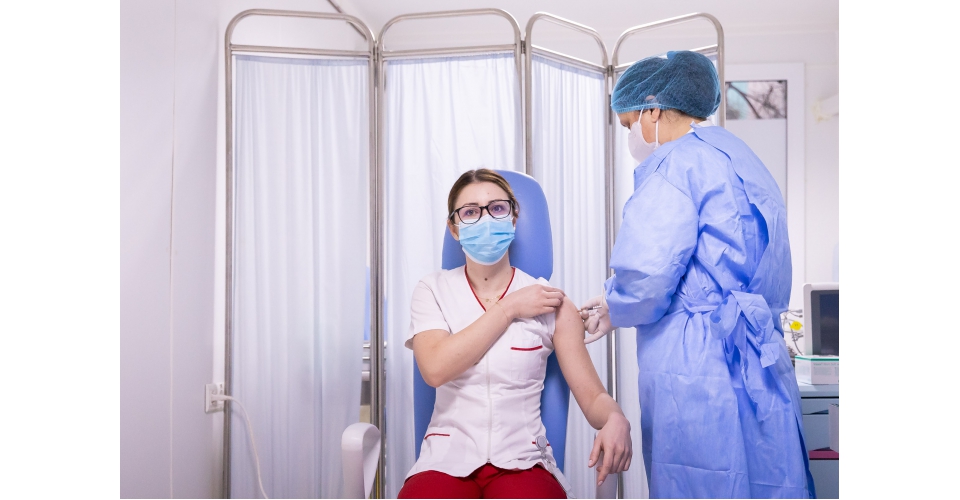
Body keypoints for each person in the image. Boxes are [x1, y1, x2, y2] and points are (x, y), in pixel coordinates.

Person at [579, 51, 816, 498]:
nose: (631, 135)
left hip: (697, 364)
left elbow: (647, 274)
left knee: (703, 479)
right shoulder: (741, 157)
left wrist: (615, 304)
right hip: (759, 354)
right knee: (766, 479)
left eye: (629, 124)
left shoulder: (674, 166)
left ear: (652, 110)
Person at [398, 169, 632, 499]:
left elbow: (593, 397)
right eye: (470, 212)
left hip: (523, 460)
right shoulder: (432, 290)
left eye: (497, 208)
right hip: (444, 461)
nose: (485, 220)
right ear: (454, 228)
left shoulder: (552, 302)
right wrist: (509, 308)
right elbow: (435, 369)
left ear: (513, 217)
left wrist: (616, 417)